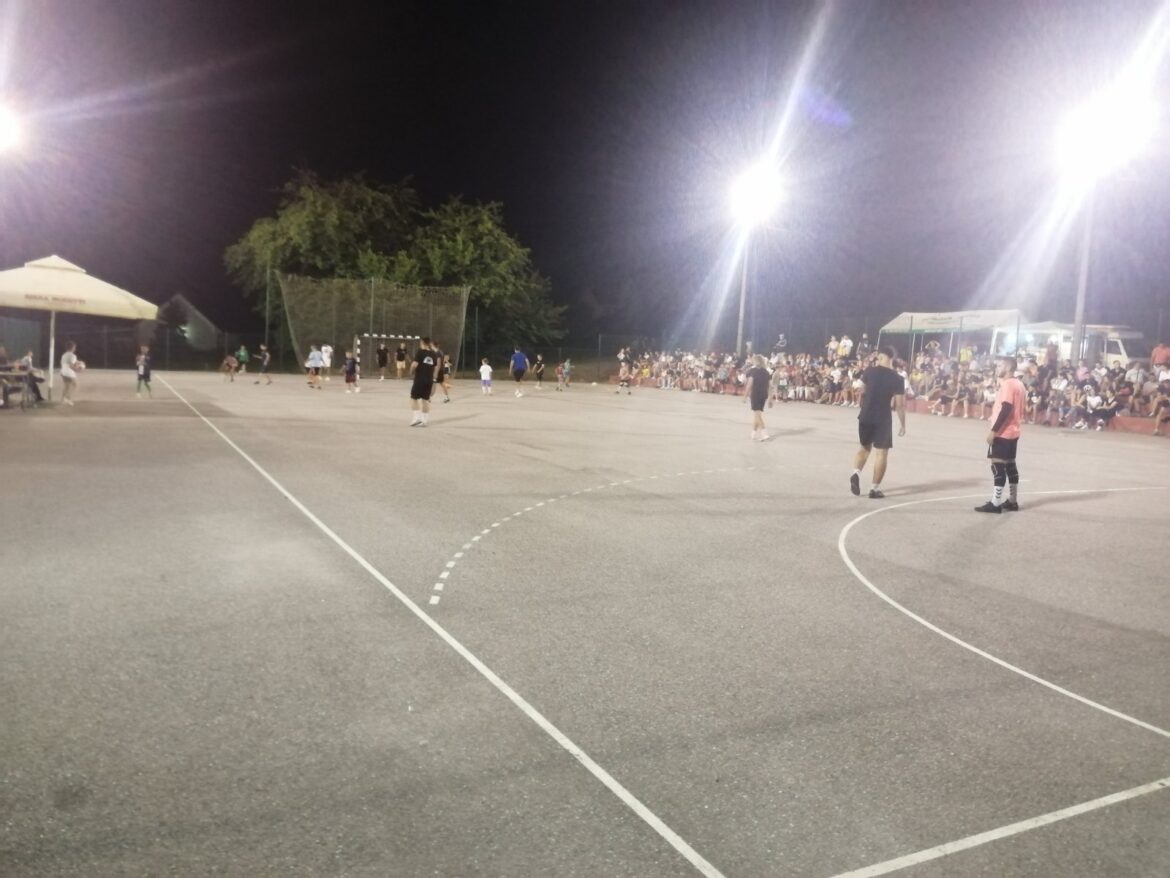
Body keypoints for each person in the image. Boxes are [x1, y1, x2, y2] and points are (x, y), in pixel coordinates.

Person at [850, 346, 906, 499]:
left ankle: (856, 473)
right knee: (881, 453)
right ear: (891, 358)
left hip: (865, 415)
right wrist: (903, 424)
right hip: (883, 418)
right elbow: (899, 405)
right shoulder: (898, 378)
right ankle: (874, 489)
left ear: (880, 357)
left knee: (864, 448)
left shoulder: (869, 371)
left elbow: (860, 390)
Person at [976, 356, 1026, 513]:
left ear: (1008, 368)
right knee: (1010, 465)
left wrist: (994, 431)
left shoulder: (1008, 384)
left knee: (997, 465)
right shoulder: (1019, 384)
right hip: (1014, 431)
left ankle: (995, 503)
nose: (997, 368)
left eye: (999, 365)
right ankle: (1012, 501)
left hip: (1003, 432)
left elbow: (1006, 408)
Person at [409, 337, 439, 426]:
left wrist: (411, 372)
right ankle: (424, 420)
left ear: (422, 342)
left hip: (420, 379)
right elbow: (435, 367)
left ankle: (417, 418)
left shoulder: (420, 352)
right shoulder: (433, 354)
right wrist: (434, 379)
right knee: (425, 399)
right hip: (429, 379)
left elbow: (414, 365)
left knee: (413, 398)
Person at [744, 355, 772, 441]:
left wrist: (745, 396)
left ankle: (764, 433)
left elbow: (749, 384)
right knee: (758, 415)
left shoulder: (752, 371)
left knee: (757, 415)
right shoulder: (766, 372)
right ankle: (753, 433)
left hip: (755, 394)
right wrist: (770, 398)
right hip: (764, 395)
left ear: (755, 361)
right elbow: (770, 386)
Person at [60, 341, 82, 406]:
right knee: (75, 385)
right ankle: (68, 399)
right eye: (74, 347)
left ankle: (63, 400)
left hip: (63, 372)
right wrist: (77, 370)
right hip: (69, 373)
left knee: (66, 386)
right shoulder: (73, 355)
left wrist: (78, 362)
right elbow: (71, 365)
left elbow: (68, 362)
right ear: (72, 347)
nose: (75, 348)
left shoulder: (64, 355)